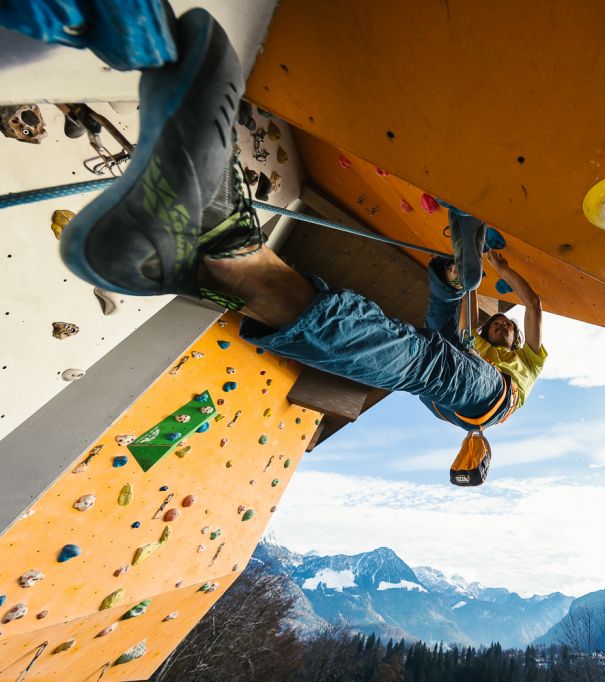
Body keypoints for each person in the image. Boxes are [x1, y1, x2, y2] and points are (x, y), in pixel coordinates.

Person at [58, 8, 547, 440]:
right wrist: (457, 291)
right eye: (501, 320)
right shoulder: (479, 343)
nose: (502, 323)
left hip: (484, 399)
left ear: (516, 341)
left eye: (504, 325)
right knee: (434, 333)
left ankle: (230, 253)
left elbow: (535, 306)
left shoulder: (523, 367)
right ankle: (204, 261)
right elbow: (454, 336)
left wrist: (506, 272)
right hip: (457, 355)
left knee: (423, 361)